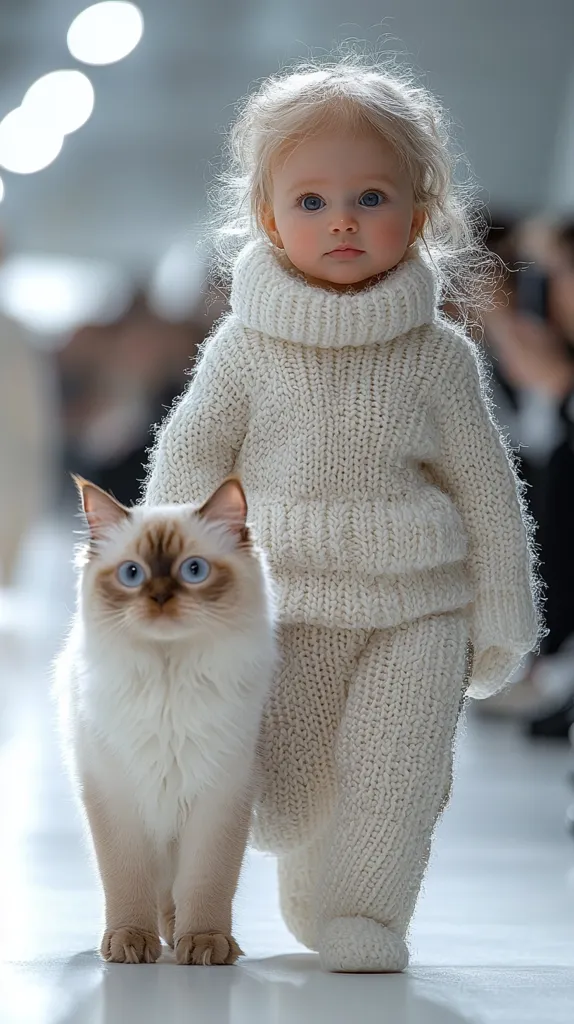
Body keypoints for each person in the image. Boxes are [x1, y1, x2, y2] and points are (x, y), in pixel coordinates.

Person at [144, 57, 540, 972]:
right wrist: (166, 588)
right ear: (268, 216)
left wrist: (503, 611)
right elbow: (190, 461)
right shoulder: (241, 349)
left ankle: (367, 911)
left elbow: (486, 486)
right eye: (313, 201)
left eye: (372, 195)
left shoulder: (439, 355)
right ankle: (317, 868)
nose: (345, 220)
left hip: (418, 604)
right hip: (282, 603)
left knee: (397, 774)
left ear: (423, 209)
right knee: (282, 797)